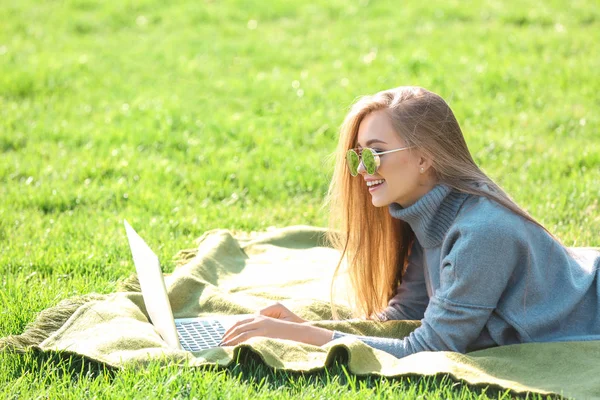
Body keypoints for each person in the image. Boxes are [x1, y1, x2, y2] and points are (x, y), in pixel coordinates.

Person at [219, 86, 600, 358]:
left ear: (424, 159)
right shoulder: (430, 214)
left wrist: (305, 337)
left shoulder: (483, 234)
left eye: (376, 154)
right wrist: (300, 326)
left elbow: (429, 348)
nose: (362, 170)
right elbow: (406, 315)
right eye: (357, 158)